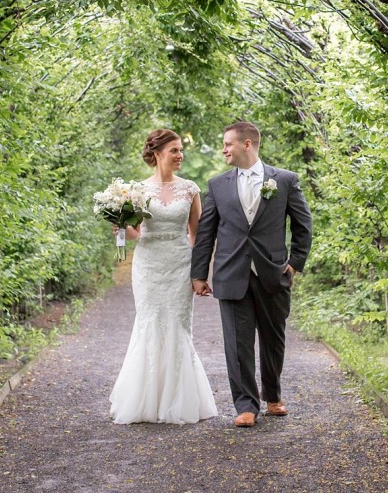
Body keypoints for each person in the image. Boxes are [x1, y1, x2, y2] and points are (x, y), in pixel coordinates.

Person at [191, 121, 313, 427]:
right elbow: (206, 233)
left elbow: (303, 225)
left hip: (273, 273)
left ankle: (272, 397)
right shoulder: (217, 185)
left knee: (273, 339)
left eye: (228, 143)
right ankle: (245, 405)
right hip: (231, 273)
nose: (224, 149)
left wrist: (295, 263)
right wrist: (199, 273)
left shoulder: (284, 180)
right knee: (237, 343)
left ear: (248, 144)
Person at [109, 129, 219, 424]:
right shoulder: (138, 191)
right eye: (174, 150)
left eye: (181, 150)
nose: (180, 155)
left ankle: (179, 399)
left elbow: (199, 237)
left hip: (180, 263)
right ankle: (146, 399)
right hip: (148, 265)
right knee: (150, 321)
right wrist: (119, 223)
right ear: (157, 154)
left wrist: (200, 274)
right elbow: (135, 234)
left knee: (178, 324)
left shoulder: (190, 190)